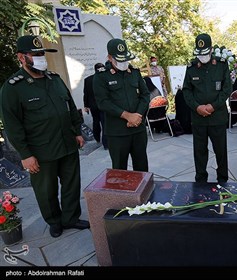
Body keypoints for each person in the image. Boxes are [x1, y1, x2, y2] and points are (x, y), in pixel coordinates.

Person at [0, 35, 89, 238]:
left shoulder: (55, 80)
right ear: (21, 57)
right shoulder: (13, 88)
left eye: (42, 54)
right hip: (41, 151)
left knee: (71, 184)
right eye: (35, 54)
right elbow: (13, 126)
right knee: (45, 191)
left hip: (67, 145)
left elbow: (70, 107)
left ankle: (70, 218)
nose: (41, 58)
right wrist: (25, 154)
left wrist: (77, 131)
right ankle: (54, 221)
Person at [93, 38, 150, 171]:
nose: (123, 63)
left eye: (125, 59)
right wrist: (127, 116)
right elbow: (103, 102)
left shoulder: (134, 73)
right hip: (117, 132)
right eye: (119, 59)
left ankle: (144, 193)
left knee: (142, 168)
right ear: (109, 57)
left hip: (138, 129)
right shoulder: (101, 76)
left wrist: (138, 115)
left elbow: (145, 95)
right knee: (120, 171)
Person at [183, 33, 232, 183]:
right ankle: (200, 180)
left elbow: (227, 89)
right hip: (199, 119)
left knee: (220, 151)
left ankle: (223, 179)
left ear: (211, 50)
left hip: (217, 117)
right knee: (199, 152)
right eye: (199, 53)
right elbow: (186, 90)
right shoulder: (191, 68)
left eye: (205, 53)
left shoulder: (222, 65)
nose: (202, 57)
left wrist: (213, 106)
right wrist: (197, 107)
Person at [83, 62, 107, 149]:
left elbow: (85, 94)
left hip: (93, 106)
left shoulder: (88, 79)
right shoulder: (103, 78)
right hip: (102, 105)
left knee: (96, 122)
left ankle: (97, 137)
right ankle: (106, 143)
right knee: (104, 123)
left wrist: (86, 105)